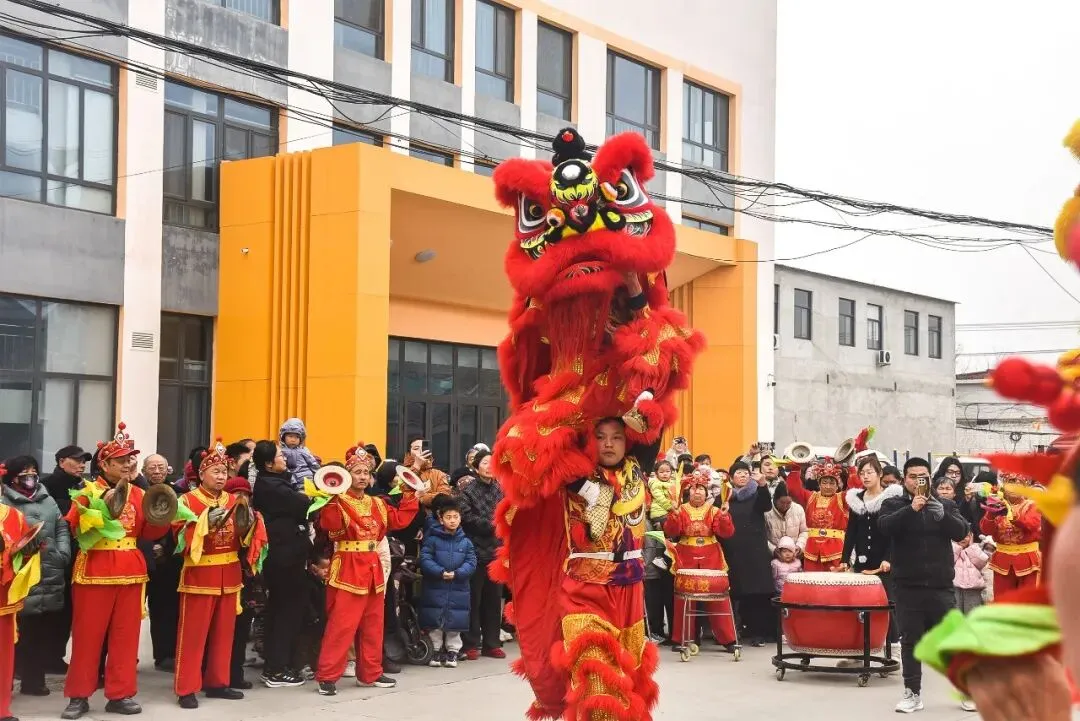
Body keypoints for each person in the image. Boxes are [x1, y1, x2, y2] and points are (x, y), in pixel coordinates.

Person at [61, 423, 172, 720]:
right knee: (87, 636)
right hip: (95, 571)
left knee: (126, 636)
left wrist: (164, 512)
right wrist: (98, 511)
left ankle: (120, 694)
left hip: (131, 571)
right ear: (104, 464)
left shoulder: (138, 493)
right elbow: (74, 527)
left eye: (130, 459)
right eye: (121, 460)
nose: (128, 464)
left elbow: (150, 532)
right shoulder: (87, 492)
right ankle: (78, 695)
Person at [314, 445, 419, 696]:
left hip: (373, 567)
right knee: (342, 625)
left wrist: (409, 494)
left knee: (374, 623)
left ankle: (370, 673)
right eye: (357, 471)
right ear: (348, 474)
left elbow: (399, 520)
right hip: (349, 565)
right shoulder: (338, 502)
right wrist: (330, 498)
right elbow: (330, 527)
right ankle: (327, 675)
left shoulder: (376, 503)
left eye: (366, 472)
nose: (362, 476)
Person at [172, 442, 266, 709]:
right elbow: (178, 539)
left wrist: (252, 525)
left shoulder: (234, 500)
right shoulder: (186, 501)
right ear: (201, 474)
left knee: (225, 633)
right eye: (215, 470)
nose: (221, 475)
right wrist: (203, 523)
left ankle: (218, 682)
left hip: (230, 573)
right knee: (193, 634)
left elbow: (245, 537)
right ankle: (186, 687)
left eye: (224, 470)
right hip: (200, 574)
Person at [878, 457, 969, 714]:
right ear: (905, 479)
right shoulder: (893, 503)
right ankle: (912, 693)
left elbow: (962, 532)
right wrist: (912, 510)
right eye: (913, 476)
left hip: (940, 585)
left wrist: (943, 516)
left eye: (924, 476)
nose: (919, 480)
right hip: (908, 585)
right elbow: (885, 527)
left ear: (930, 478)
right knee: (911, 641)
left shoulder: (945, 504)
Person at [1, 456, 70, 697]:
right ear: (12, 476)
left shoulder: (46, 497)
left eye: (33, 471)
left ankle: (34, 681)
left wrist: (63, 552)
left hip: (50, 571)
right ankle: (6, 682)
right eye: (24, 472)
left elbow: (61, 527)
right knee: (15, 633)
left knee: (41, 632)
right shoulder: (4, 500)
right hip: (19, 575)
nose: (30, 476)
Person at [250, 440, 314, 688]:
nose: (285, 458)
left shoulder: (277, 482)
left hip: (289, 557)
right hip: (283, 559)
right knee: (285, 612)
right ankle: (275, 669)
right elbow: (305, 506)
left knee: (284, 611)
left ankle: (280, 665)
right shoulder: (271, 487)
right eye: (279, 455)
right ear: (268, 463)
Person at [663, 470, 736, 651]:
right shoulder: (680, 510)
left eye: (701, 489)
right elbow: (671, 531)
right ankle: (683, 638)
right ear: (688, 492)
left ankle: (728, 639)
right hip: (685, 556)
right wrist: (673, 514)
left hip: (711, 556)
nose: (697, 492)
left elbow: (727, 533)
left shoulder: (715, 510)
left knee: (718, 597)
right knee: (684, 598)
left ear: (707, 492)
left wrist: (725, 515)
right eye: (694, 489)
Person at [840, 454, 903, 646]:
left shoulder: (891, 498)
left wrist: (889, 558)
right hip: (862, 559)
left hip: (883, 559)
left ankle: (893, 645)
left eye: (870, 472)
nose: (865, 477)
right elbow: (851, 531)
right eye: (862, 473)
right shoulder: (856, 498)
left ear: (879, 474)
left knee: (886, 601)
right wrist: (845, 558)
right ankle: (862, 645)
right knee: (860, 602)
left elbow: (895, 533)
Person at [719, 460, 774, 646]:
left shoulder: (757, 493)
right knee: (735, 592)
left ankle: (758, 633)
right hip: (733, 550)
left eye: (745, 472)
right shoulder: (725, 496)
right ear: (731, 477)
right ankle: (734, 632)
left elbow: (767, 505)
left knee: (756, 593)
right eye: (738, 473)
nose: (742, 475)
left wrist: (763, 485)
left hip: (755, 551)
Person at [419, 495, 477, 668]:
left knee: (454, 620)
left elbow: (471, 562)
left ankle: (453, 651)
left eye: (455, 517)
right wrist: (439, 572)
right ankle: (435, 650)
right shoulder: (432, 539)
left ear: (460, 518)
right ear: (441, 519)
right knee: (435, 619)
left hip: (458, 586)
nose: (452, 521)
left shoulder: (466, 542)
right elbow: (425, 558)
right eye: (448, 517)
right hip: (436, 585)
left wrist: (458, 573)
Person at [457, 448, 505, 659]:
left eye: (493, 463)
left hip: (496, 551)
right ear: (476, 467)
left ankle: (492, 643)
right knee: (473, 600)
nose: (489, 467)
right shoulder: (467, 491)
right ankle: (471, 644)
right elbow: (466, 518)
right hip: (474, 551)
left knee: (494, 601)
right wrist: (494, 524)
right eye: (485, 463)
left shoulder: (501, 490)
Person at [223, 474, 262, 690]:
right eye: (237, 493)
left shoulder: (255, 517)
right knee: (221, 632)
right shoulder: (220, 517)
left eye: (245, 494)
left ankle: (235, 673)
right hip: (224, 576)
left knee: (240, 631)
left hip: (246, 582)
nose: (241, 498)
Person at [980, 472, 1042, 598]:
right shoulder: (998, 505)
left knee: (1027, 601)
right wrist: (992, 513)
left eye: (1018, 484)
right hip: (1002, 560)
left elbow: (1031, 525)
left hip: (1027, 559)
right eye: (1010, 483)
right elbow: (986, 529)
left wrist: (1011, 513)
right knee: (1003, 601)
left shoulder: (1032, 505)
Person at [786, 458, 850, 572]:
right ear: (819, 484)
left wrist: (852, 468)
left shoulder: (842, 498)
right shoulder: (811, 497)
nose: (828, 486)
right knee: (812, 585)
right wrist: (796, 470)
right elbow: (793, 489)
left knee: (835, 585)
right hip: (812, 550)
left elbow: (856, 490)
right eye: (824, 482)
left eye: (832, 483)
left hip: (835, 550)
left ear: (837, 486)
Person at [295, 555, 329, 680]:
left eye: (328, 568)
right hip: (308, 621)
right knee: (304, 644)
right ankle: (301, 666)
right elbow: (306, 602)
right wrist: (312, 615)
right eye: (323, 568)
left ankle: (314, 664)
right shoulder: (308, 583)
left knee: (316, 644)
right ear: (314, 568)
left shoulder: (325, 583)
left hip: (320, 620)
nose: (326, 571)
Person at [406, 438, 451, 509]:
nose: (420, 451)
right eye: (416, 448)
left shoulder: (438, 474)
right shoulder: (402, 470)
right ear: (409, 453)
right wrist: (416, 465)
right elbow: (404, 491)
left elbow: (444, 496)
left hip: (433, 515)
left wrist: (420, 498)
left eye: (423, 448)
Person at [278, 418, 320, 490]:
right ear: (283, 437)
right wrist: (292, 479)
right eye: (290, 436)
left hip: (306, 478)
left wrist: (319, 476)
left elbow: (313, 464)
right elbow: (283, 468)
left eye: (297, 437)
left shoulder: (304, 450)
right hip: (290, 481)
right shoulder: (280, 452)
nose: (293, 440)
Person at [952, 532, 989, 614]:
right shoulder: (951, 548)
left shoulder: (975, 548)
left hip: (973, 589)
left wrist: (971, 547)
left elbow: (982, 561)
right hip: (955, 588)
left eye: (967, 536)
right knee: (956, 612)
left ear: (971, 537)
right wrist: (957, 547)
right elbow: (949, 560)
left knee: (972, 613)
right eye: (960, 535)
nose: (963, 538)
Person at [764, 489, 807, 553]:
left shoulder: (798, 509)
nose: (785, 506)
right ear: (775, 499)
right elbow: (762, 536)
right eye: (782, 502)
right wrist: (773, 550)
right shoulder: (766, 511)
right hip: (772, 556)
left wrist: (799, 546)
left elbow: (804, 531)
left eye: (788, 503)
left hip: (794, 554)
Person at [647, 460, 677, 525]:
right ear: (656, 473)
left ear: (671, 472)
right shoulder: (655, 484)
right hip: (660, 513)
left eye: (667, 471)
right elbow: (660, 499)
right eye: (661, 472)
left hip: (671, 511)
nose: (665, 474)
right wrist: (670, 508)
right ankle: (658, 525)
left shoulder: (673, 483)